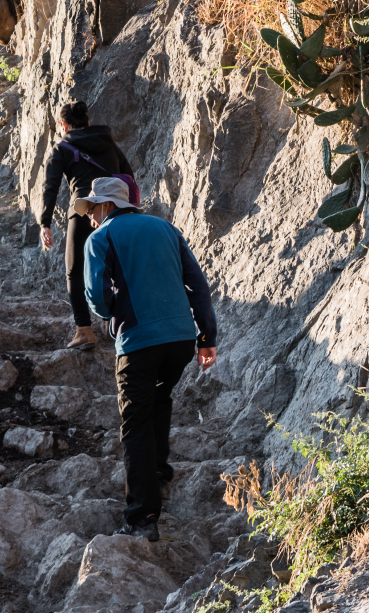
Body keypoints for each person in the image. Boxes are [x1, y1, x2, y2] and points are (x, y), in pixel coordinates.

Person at [81, 176, 219, 542]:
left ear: (107, 206)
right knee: (160, 399)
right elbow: (197, 284)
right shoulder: (165, 227)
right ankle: (158, 476)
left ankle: (142, 517)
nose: (90, 217)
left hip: (139, 342)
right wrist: (206, 336)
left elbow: (95, 297)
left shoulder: (100, 238)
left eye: (93, 208)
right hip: (180, 341)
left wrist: (114, 316)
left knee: (136, 423)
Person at [37, 100, 136, 348]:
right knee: (116, 266)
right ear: (88, 121)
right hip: (115, 211)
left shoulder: (62, 147)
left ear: (63, 124)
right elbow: (129, 176)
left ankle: (84, 331)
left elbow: (51, 186)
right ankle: (113, 322)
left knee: (75, 270)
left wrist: (45, 222)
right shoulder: (109, 142)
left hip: (83, 212)